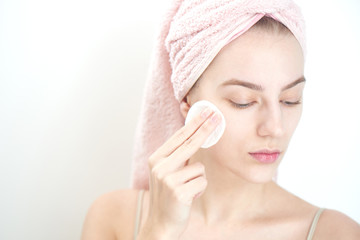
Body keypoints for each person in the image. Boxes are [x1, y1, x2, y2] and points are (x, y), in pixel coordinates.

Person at [81, 0, 360, 239]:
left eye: (291, 99)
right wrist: (158, 230)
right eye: (243, 101)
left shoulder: (335, 233)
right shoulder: (113, 217)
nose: (275, 127)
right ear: (189, 103)